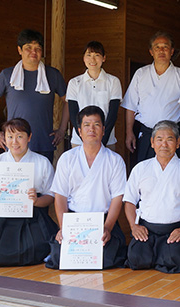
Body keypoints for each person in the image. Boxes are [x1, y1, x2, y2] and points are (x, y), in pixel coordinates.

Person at [45, 106, 127, 270]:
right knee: (59, 257)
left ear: (103, 130)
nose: (92, 129)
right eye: (87, 125)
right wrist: (64, 228)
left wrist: (108, 228)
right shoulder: (67, 159)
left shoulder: (115, 160)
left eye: (96, 124)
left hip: (103, 221)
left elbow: (118, 199)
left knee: (108, 258)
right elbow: (60, 197)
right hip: (74, 221)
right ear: (79, 131)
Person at [0, 118, 59, 267]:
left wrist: (36, 201)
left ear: (29, 137)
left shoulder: (42, 162)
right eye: (10, 137)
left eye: (20, 136)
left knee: (36, 249)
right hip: (1, 215)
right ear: (4, 138)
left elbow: (51, 195)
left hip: (32, 215)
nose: (14, 142)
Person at [124, 120, 180, 273]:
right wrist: (134, 226)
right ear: (152, 143)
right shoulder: (140, 168)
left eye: (170, 139)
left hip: (175, 229)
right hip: (147, 229)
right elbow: (129, 202)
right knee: (137, 258)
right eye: (159, 139)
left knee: (175, 260)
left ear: (178, 143)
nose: (164, 144)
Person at [0, 29, 68, 162]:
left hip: (44, 143)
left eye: (37, 48)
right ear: (19, 50)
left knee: (42, 183)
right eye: (28, 47)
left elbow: (68, 101)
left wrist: (62, 130)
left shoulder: (53, 75)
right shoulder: (7, 75)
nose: (33, 52)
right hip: (15, 145)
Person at [122, 32, 180, 163]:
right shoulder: (141, 74)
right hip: (147, 134)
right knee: (146, 174)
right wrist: (129, 132)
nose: (161, 50)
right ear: (151, 51)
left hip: (172, 135)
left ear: (172, 51)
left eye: (165, 47)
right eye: (157, 47)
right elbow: (131, 106)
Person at [67, 41, 122, 149]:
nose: (92, 60)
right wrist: (84, 139)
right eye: (89, 55)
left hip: (107, 140)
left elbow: (113, 114)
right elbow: (73, 114)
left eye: (97, 55)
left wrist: (102, 141)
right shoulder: (74, 82)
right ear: (83, 58)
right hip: (79, 141)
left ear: (104, 58)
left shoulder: (113, 81)